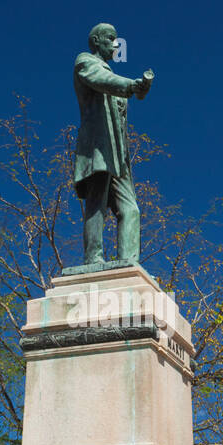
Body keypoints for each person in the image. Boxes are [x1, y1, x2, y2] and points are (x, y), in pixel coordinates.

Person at [73, 23, 153, 265]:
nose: (116, 44)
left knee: (131, 210)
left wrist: (136, 88)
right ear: (96, 41)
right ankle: (93, 259)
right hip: (98, 147)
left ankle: (129, 265)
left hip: (119, 155)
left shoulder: (112, 76)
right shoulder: (85, 62)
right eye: (111, 38)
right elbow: (102, 80)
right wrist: (131, 86)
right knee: (97, 202)